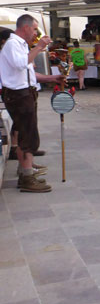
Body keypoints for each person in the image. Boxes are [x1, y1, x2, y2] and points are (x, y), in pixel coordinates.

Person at [0, 14, 65, 192]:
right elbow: (21, 64)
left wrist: (52, 78)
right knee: (27, 135)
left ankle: (26, 171)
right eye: (35, 29)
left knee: (27, 133)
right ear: (26, 27)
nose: (36, 33)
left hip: (25, 93)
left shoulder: (21, 45)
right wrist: (38, 47)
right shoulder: (13, 44)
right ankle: (27, 176)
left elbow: (28, 73)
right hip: (18, 95)